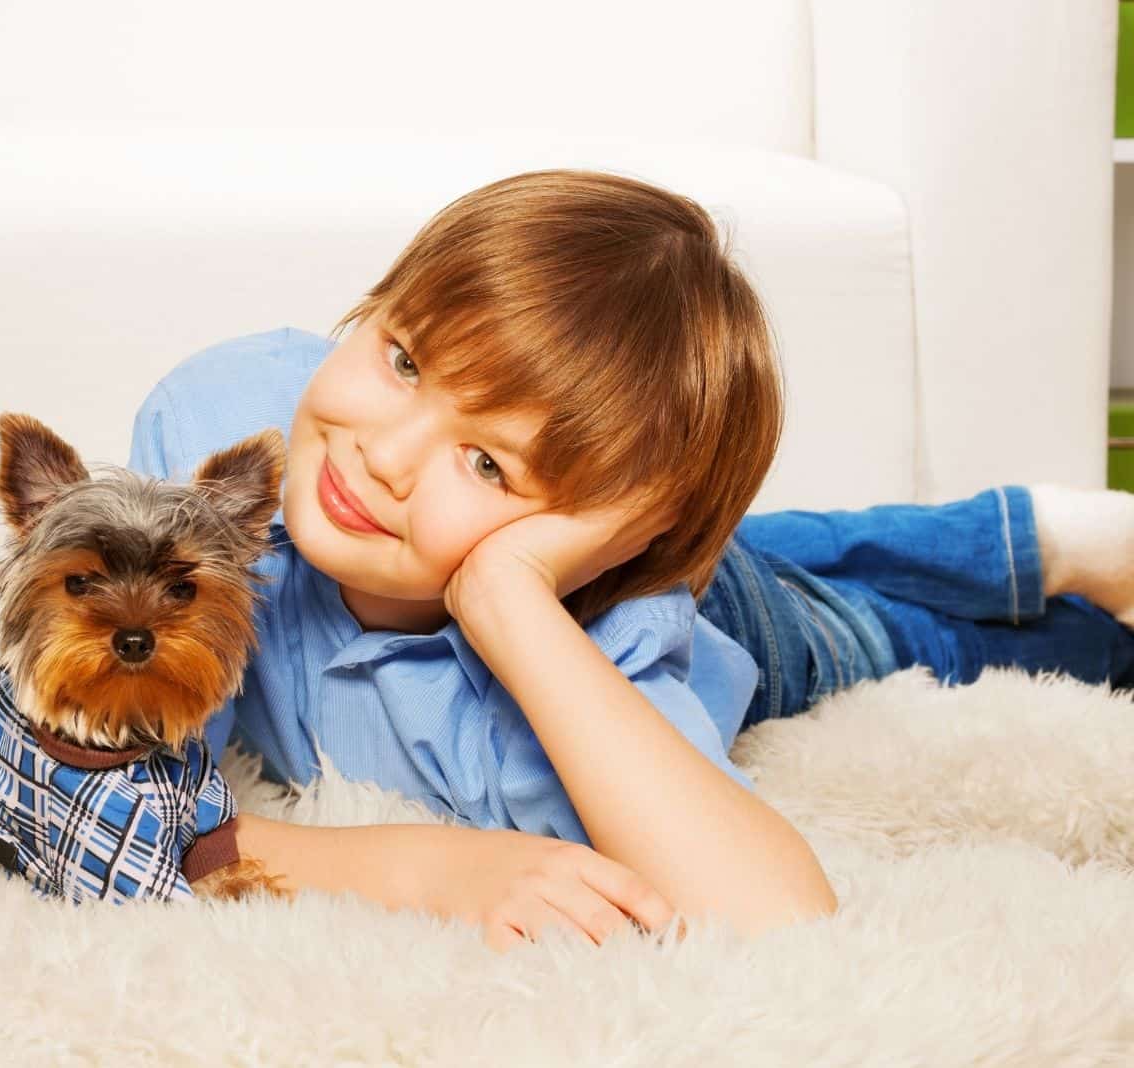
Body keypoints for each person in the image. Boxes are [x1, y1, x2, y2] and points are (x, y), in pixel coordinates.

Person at [124, 169, 1134, 953]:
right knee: (782, 548)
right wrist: (429, 868)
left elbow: (780, 916)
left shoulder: (613, 634)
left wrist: (510, 598)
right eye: (403, 359)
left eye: (484, 461)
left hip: (708, 607)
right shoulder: (220, 446)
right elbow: (114, 808)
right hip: (649, 544)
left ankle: (1069, 602)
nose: (377, 455)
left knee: (856, 629)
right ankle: (1022, 531)